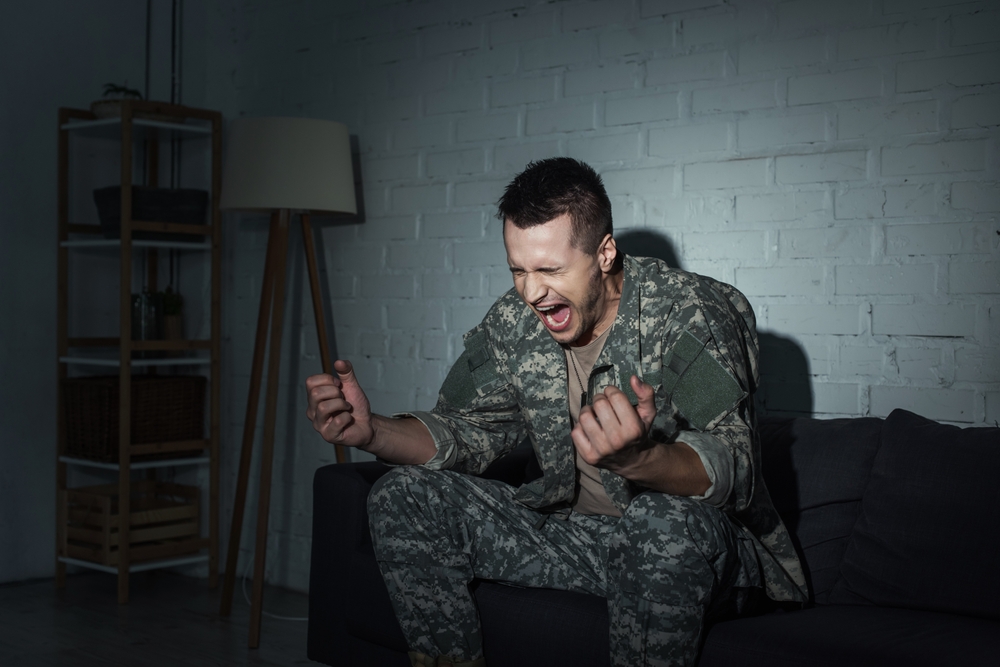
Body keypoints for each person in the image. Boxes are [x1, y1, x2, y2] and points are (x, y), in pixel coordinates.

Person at [306, 158, 807, 667]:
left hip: (699, 551)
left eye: (549, 270)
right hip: (576, 538)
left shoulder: (689, 310)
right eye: (518, 270)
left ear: (605, 253)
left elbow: (736, 466)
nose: (531, 292)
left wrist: (640, 460)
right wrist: (371, 431)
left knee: (660, 522)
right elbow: (467, 429)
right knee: (402, 494)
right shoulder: (514, 320)